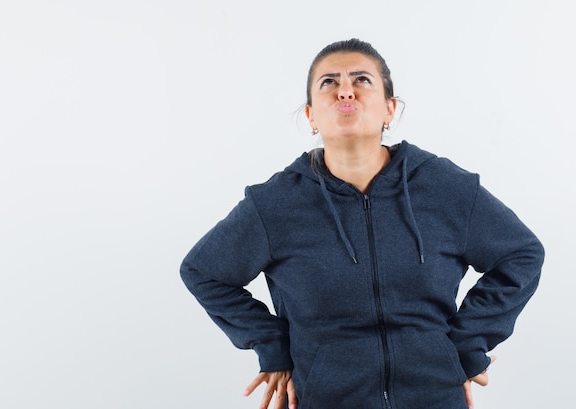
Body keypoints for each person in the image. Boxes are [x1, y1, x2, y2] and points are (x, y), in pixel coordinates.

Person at [180, 38, 544, 409]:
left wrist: (468, 343)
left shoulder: (444, 187)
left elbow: (521, 255)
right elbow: (203, 271)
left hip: (435, 397)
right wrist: (272, 345)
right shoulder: (276, 203)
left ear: (390, 109)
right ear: (310, 116)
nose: (345, 92)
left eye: (361, 80)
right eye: (329, 83)